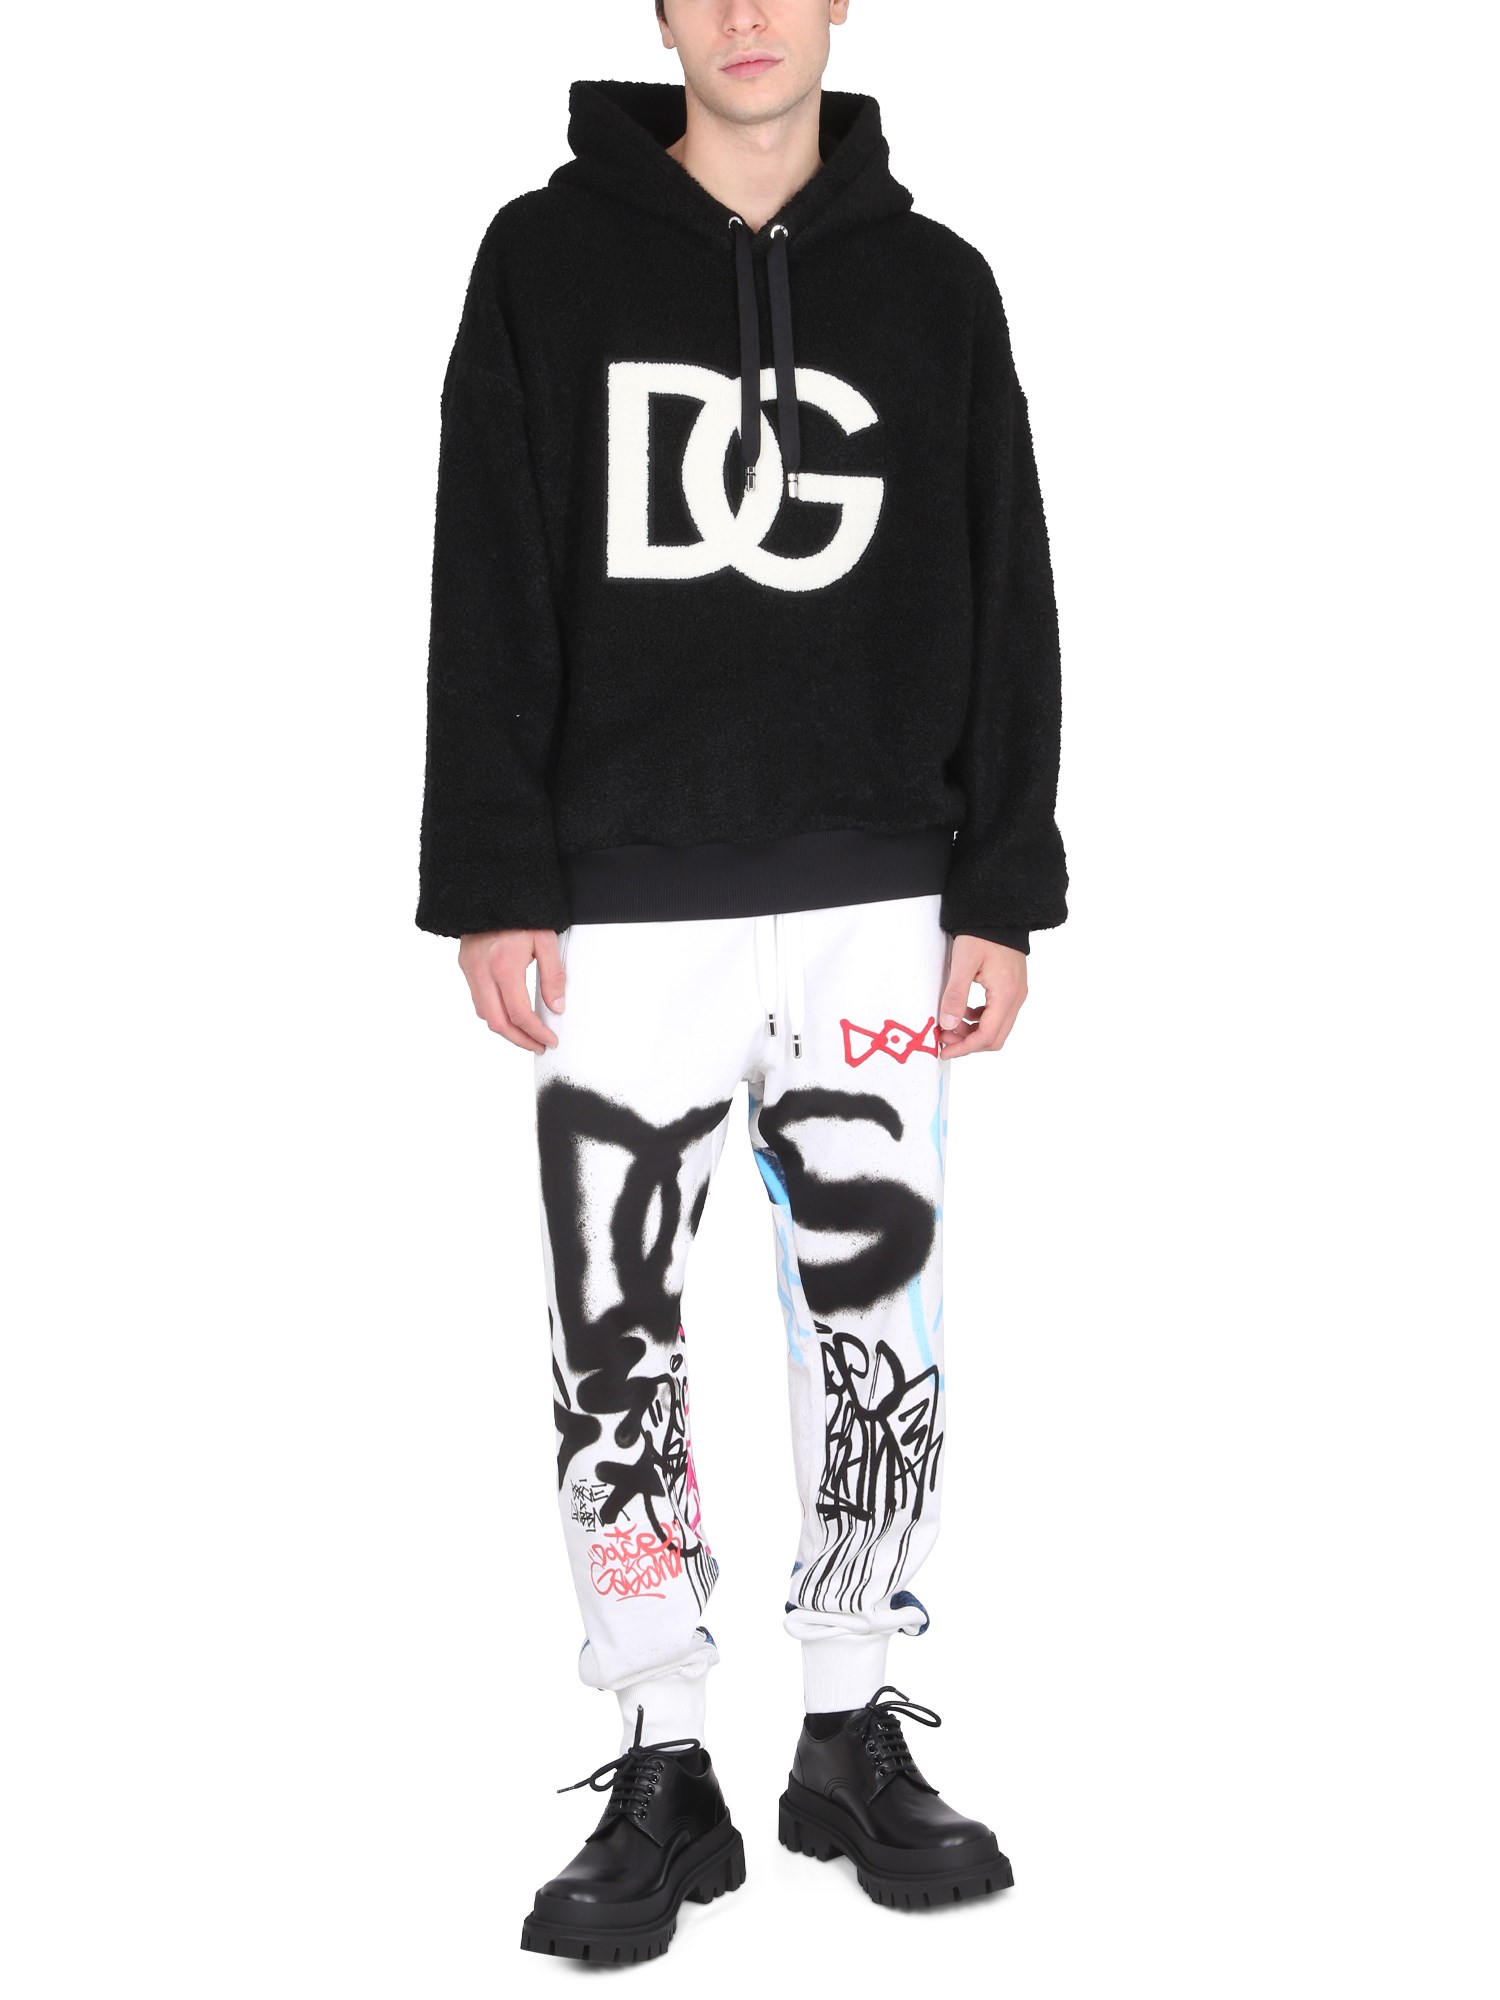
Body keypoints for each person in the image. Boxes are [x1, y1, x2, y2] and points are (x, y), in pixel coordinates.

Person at [416, 0, 1067, 1962]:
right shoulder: (545, 260)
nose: (750, 12)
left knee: (879, 1313)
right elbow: (488, 559)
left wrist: (1001, 881)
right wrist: (493, 874)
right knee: (613, 1329)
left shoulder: (939, 288)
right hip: (625, 900)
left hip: (882, 894)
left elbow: (1009, 582)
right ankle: (662, 1744)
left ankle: (850, 1725)